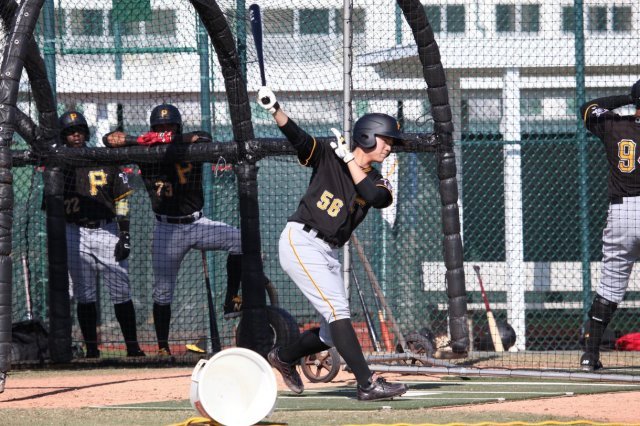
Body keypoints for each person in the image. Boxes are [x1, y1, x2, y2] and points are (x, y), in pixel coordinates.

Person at [256, 87, 409, 401]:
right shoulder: (329, 155)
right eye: (385, 139)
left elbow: (375, 197)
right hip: (302, 240)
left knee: (330, 332)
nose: (389, 147)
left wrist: (350, 159)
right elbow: (299, 139)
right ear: (367, 136)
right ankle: (366, 383)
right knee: (338, 311)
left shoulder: (377, 179)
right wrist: (275, 109)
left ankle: (283, 357)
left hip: (327, 251)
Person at [104, 104, 260, 355]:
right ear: (153, 128)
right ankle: (163, 348)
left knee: (241, 241)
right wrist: (142, 140)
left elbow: (205, 137)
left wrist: (172, 139)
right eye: (160, 127)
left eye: (170, 126)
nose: (165, 130)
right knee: (162, 292)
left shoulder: (190, 146)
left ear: (178, 127)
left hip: (198, 223)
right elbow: (108, 139)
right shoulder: (143, 150)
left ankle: (231, 299)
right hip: (166, 230)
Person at [59, 111, 144, 358]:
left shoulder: (104, 158)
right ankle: (91, 350)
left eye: (79, 130)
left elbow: (122, 200)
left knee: (121, 291)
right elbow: (53, 208)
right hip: (74, 232)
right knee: (84, 294)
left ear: (86, 133)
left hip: (106, 230)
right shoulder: (59, 164)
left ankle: (133, 348)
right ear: (63, 137)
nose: (75, 135)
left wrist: (124, 234)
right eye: (70, 132)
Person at [579, 80, 640, 371]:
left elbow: (587, 108)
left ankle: (589, 356)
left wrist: (628, 97)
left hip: (622, 213)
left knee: (611, 286)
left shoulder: (615, 126)